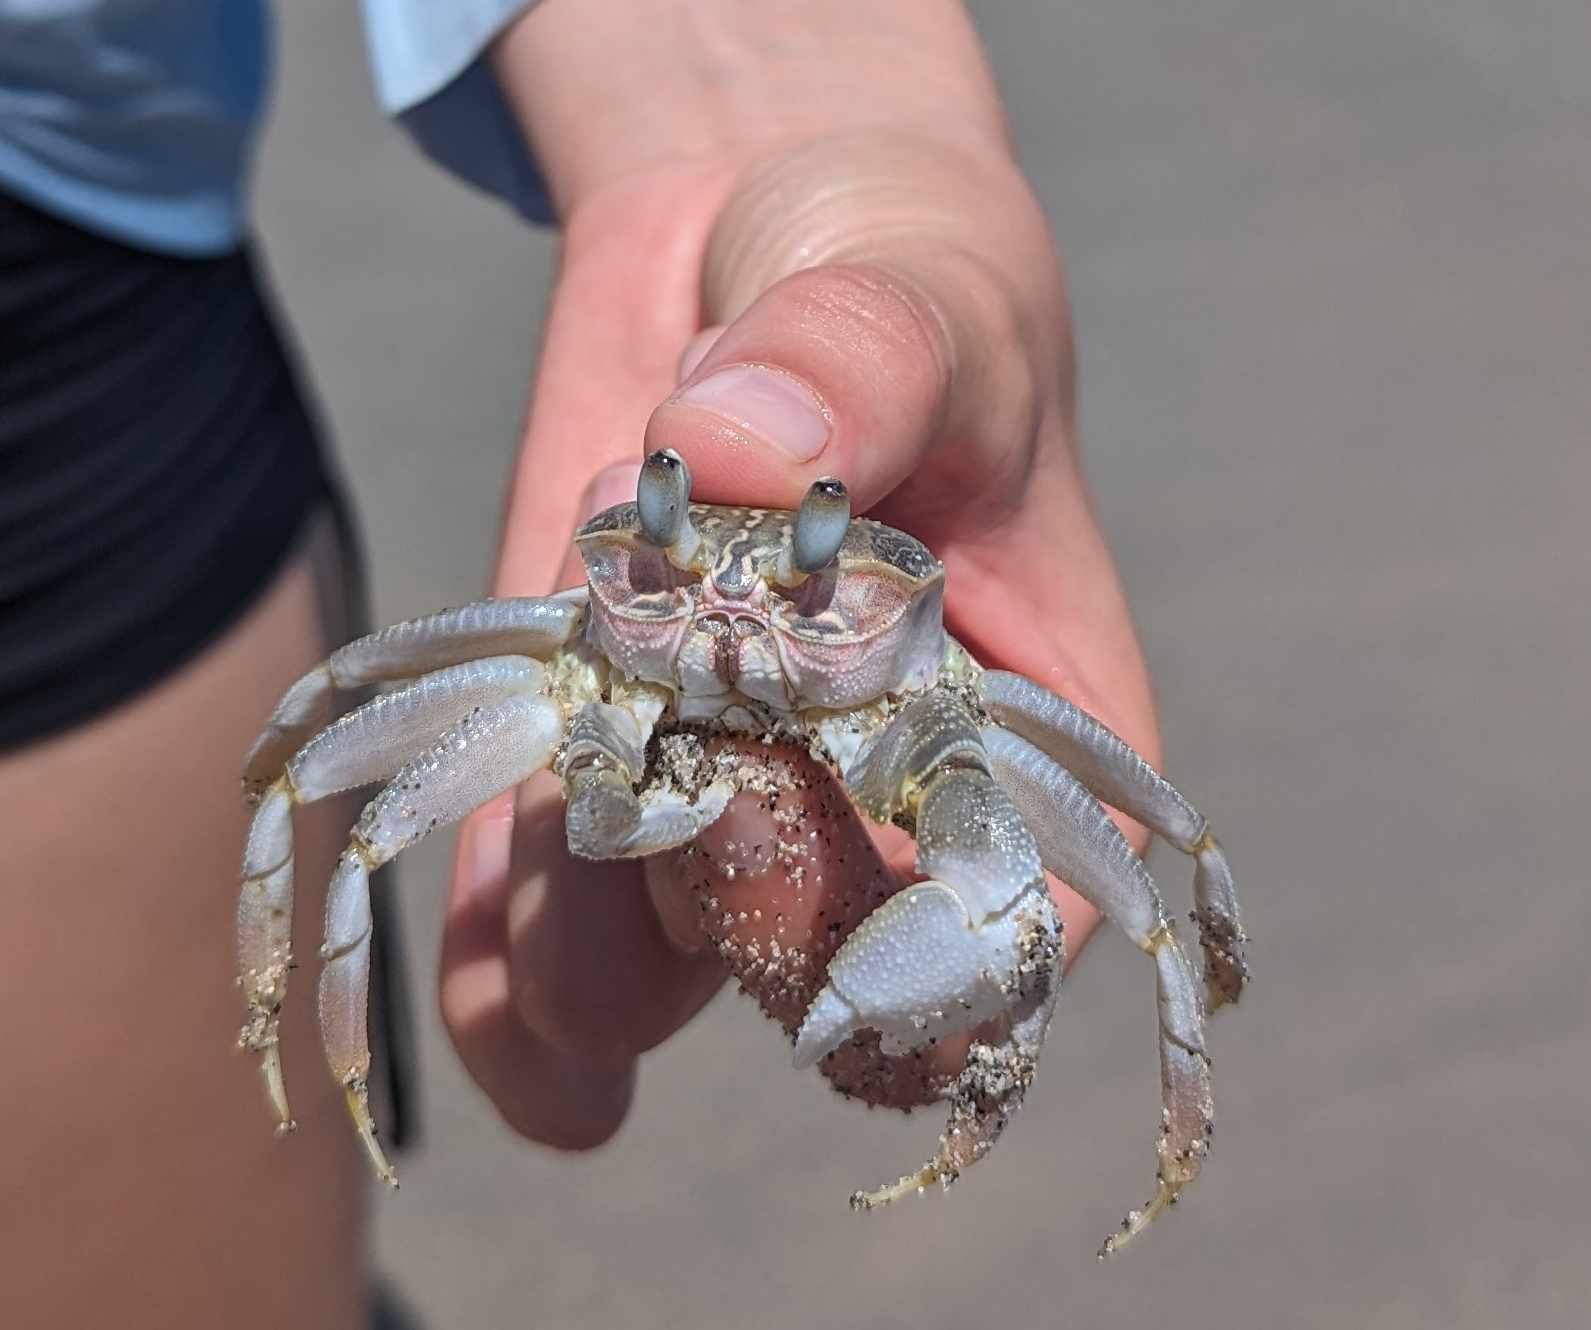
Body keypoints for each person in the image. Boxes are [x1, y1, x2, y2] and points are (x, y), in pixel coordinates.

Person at [0, 2, 1170, 1324]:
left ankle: (1117, 1116)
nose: (733, 619)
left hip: (68, 279)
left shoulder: (930, 698)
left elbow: (1133, 855)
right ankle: (307, 1044)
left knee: (1078, 883)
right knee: (342, 800)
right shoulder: (570, 650)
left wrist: (780, 86)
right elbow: (332, 739)